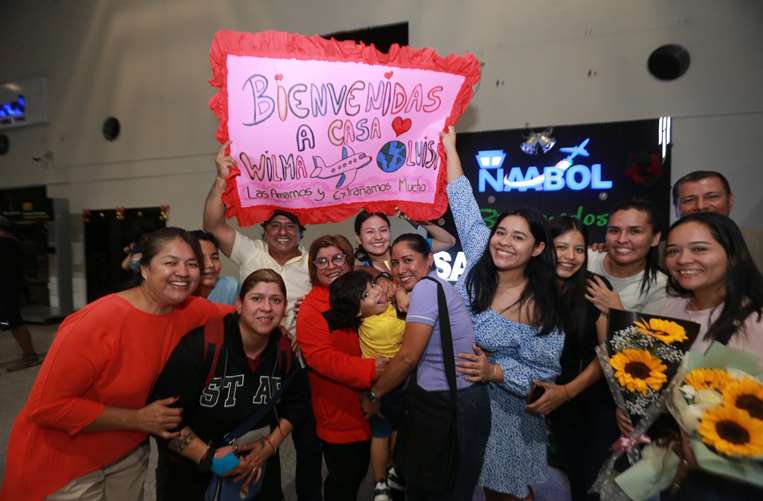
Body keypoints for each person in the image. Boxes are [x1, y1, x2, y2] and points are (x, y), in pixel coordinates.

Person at [0, 227, 232, 501]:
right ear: (144, 269)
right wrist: (137, 419)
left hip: (128, 453)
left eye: (192, 264)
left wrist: (284, 327)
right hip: (66, 458)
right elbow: (46, 407)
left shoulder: (189, 309)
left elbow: (245, 316)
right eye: (170, 262)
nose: (183, 271)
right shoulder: (96, 322)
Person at [442, 126, 564, 501]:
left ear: (537, 247)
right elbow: (462, 199)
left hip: (508, 415)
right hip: (460, 397)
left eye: (518, 237)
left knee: (504, 492)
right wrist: (450, 147)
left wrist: (494, 371)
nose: (504, 242)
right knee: (468, 482)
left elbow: (545, 374)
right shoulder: (480, 251)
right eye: (502, 232)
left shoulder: (541, 305)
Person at [203, 142, 322, 500]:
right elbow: (212, 223)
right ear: (264, 231)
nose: (283, 230)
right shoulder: (249, 252)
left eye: (291, 226)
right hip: (257, 365)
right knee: (256, 439)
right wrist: (221, 179)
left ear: (302, 234)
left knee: (308, 446)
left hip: (301, 366)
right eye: (275, 225)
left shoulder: (312, 263)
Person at [151, 269, 309, 500]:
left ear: (283, 309)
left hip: (258, 469)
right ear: (238, 304)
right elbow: (162, 417)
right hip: (193, 475)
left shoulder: (283, 351)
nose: (267, 307)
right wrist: (208, 456)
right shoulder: (203, 345)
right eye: (257, 298)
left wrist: (270, 446)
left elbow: (297, 403)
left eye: (275, 300)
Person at [361, 233, 491, 500]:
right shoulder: (434, 286)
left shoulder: (426, 288)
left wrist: (374, 394)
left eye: (408, 260)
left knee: (440, 487)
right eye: (395, 263)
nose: (400, 269)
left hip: (453, 404)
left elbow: (408, 357)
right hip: (452, 400)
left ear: (429, 259)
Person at [658, 212, 763, 500]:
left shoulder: (754, 319)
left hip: (735, 477)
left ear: (732, 254)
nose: (683, 259)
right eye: (673, 251)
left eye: (699, 249)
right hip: (673, 465)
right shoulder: (668, 309)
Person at [526, 216, 619, 501]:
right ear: (544, 248)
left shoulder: (596, 286)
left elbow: (609, 353)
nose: (570, 257)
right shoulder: (529, 288)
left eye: (579, 249)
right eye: (561, 247)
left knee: (588, 483)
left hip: (590, 396)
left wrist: (568, 391)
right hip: (548, 398)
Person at [296, 235, 388, 501]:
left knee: (389, 475)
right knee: (346, 479)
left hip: (387, 399)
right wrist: (372, 369)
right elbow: (320, 358)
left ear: (349, 260)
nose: (330, 265)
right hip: (342, 411)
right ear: (314, 267)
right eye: (321, 261)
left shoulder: (369, 290)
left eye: (337, 257)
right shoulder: (312, 308)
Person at [326, 270, 406, 501]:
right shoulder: (384, 326)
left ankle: (381, 483)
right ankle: (391, 471)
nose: (377, 291)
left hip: (376, 384)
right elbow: (414, 333)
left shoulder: (369, 319)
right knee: (398, 426)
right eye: (366, 294)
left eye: (372, 285)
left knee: (380, 432)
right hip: (393, 384)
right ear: (359, 311)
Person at [586, 199, 669, 315]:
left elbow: (647, 333)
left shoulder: (660, 286)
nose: (622, 239)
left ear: (655, 238)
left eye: (635, 231)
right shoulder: (584, 259)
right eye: (614, 231)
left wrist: (617, 311)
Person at [0, 216, 43, 372]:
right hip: (9, 289)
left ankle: (30, 355)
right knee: (9, 322)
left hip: (6, 290)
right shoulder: (11, 242)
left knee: (14, 322)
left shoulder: (6, 243)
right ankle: (29, 354)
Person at [353, 210, 456, 274]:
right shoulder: (361, 272)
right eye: (370, 232)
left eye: (383, 230)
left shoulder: (408, 249)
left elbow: (448, 241)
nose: (378, 237)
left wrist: (419, 220)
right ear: (358, 238)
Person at [190, 230, 239, 304]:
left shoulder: (230, 288)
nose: (210, 265)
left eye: (215, 258)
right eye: (201, 258)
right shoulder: (177, 292)